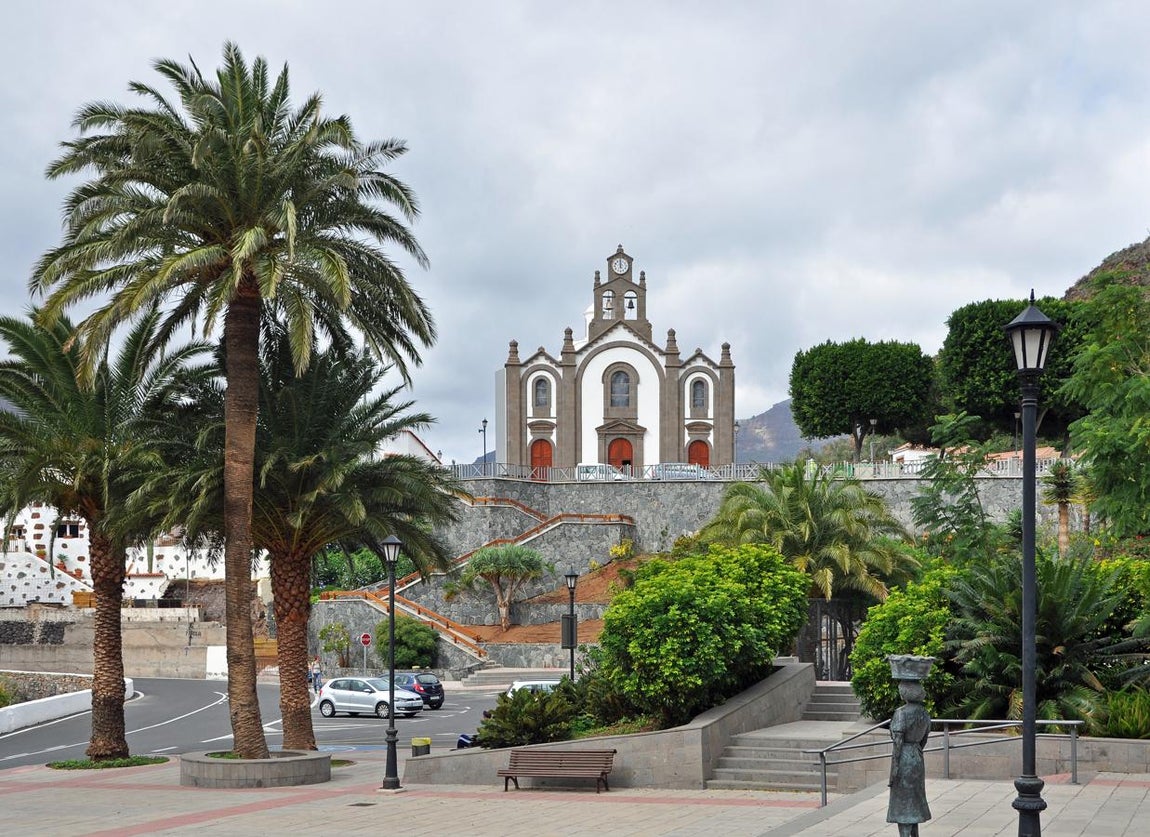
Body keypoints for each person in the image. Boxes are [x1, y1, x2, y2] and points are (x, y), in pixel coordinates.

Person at [887, 679, 932, 836]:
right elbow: (924, 738)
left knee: (903, 806)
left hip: (904, 757)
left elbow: (898, 743)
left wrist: (894, 769)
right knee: (914, 803)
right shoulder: (924, 712)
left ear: (904, 693)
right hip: (917, 757)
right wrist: (916, 750)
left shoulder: (901, 713)